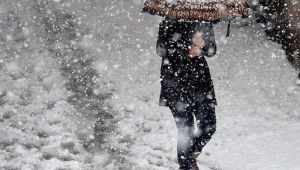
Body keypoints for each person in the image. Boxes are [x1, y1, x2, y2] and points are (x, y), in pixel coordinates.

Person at [156, 18, 217, 170]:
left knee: (209, 125)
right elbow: (161, 50)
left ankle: (190, 155)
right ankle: (186, 165)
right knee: (186, 129)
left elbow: (212, 49)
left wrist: (202, 48)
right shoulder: (169, 20)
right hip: (175, 83)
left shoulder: (203, 19)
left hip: (200, 83)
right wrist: (187, 45)